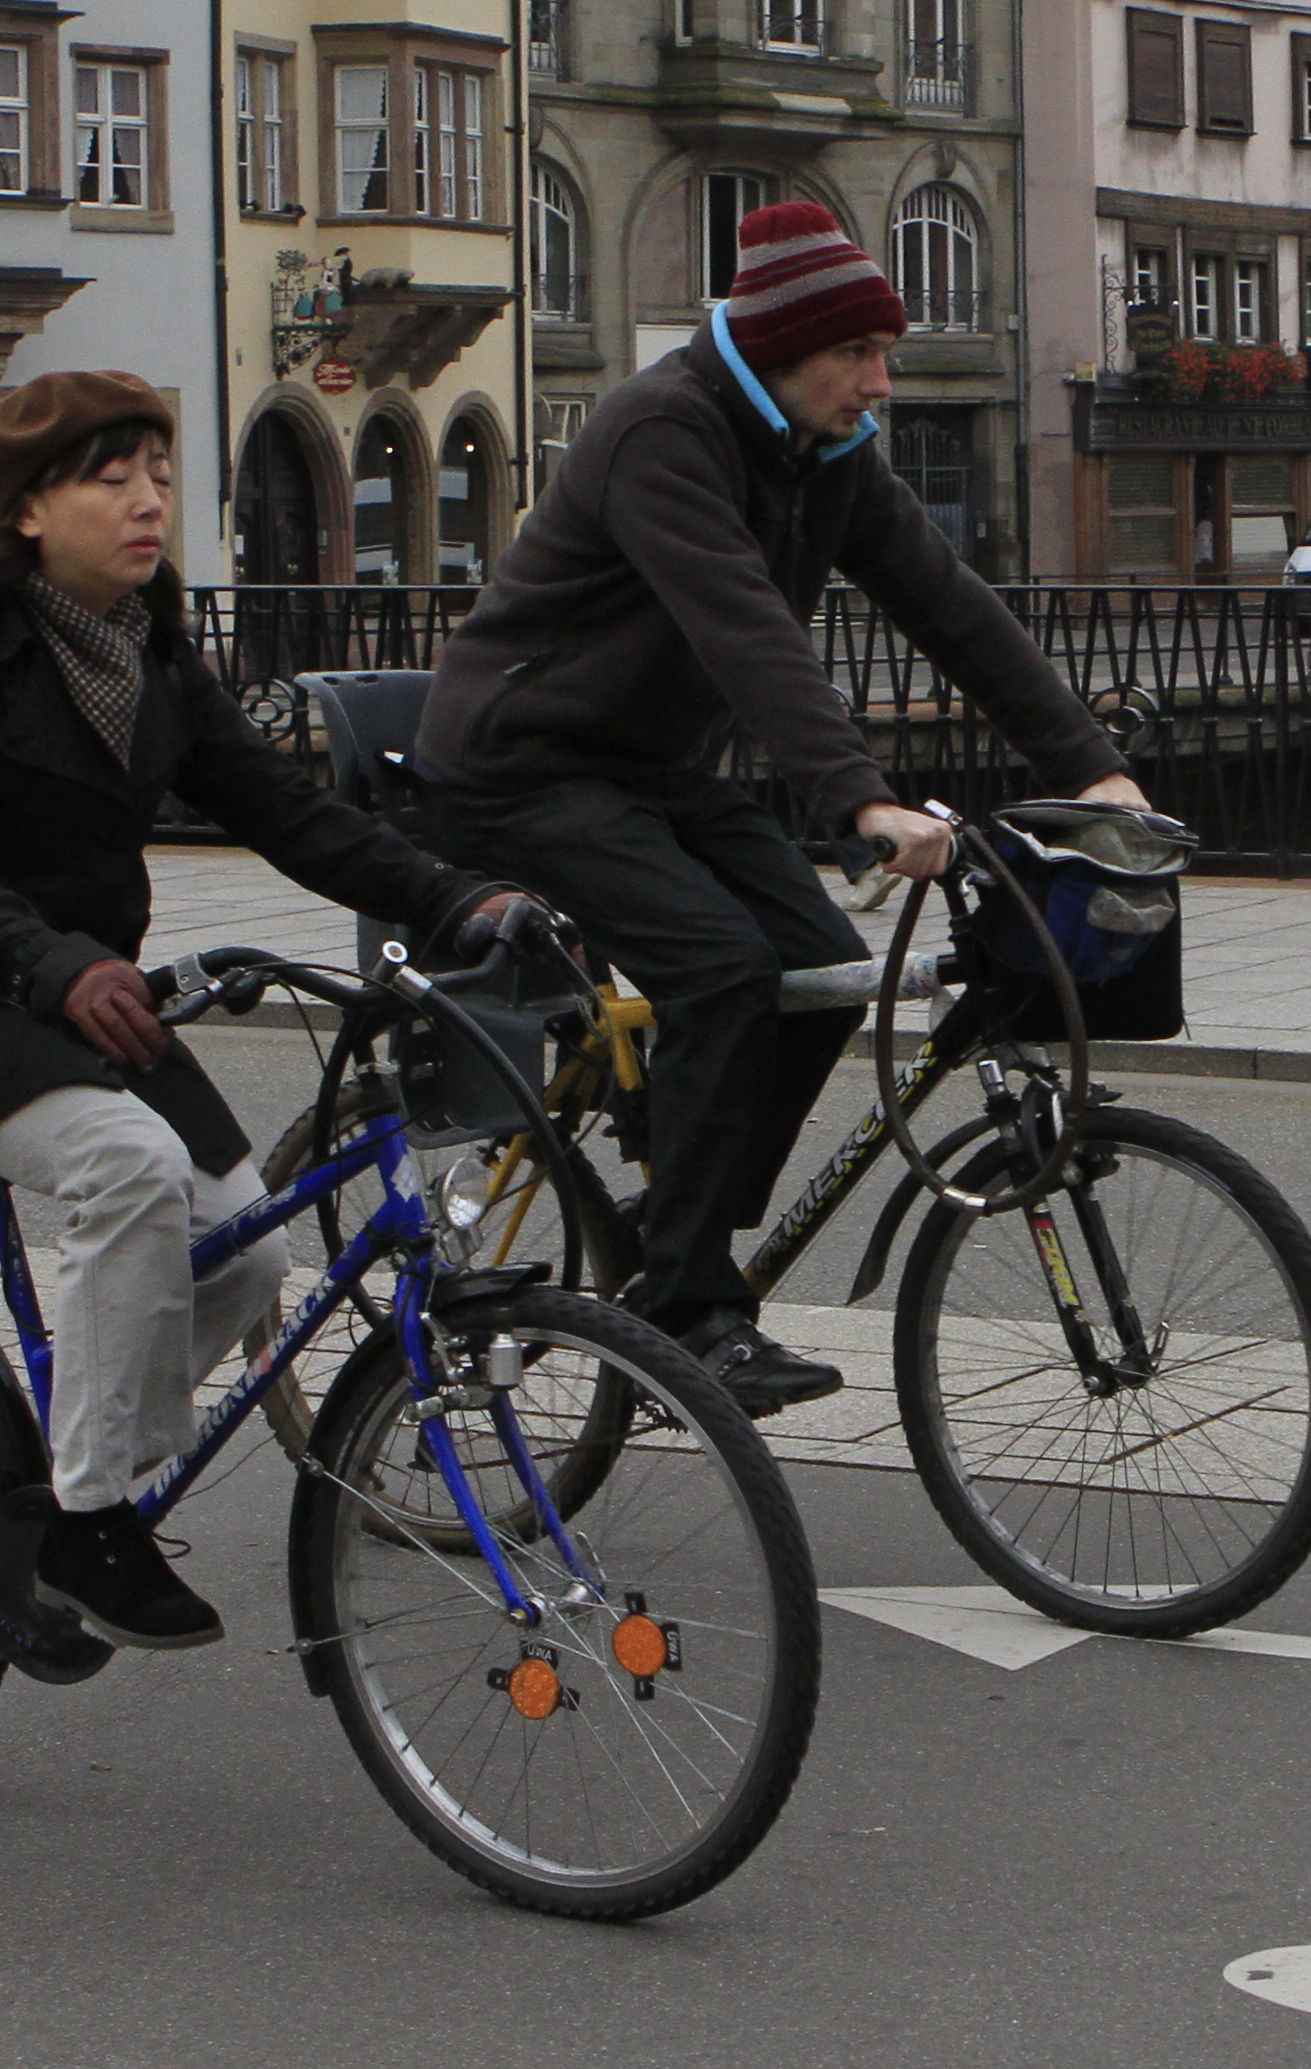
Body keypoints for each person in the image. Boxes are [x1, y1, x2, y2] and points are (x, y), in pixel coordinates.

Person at [0, 370, 540, 1660]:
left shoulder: (146, 647)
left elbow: (286, 811)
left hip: (82, 1000)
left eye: (158, 474)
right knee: (130, 1173)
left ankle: (44, 1510)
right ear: (28, 511)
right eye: (111, 479)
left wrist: (459, 900)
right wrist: (55, 967)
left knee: (246, 1254)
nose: (149, 502)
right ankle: (93, 1519)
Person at [418, 206, 1146, 1412]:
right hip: (519, 765)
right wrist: (858, 799)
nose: (879, 382)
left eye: (884, 353)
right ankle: (686, 1309)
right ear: (781, 349)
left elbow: (947, 604)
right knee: (716, 969)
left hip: (648, 769)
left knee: (819, 974)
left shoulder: (825, 453)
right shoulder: (664, 427)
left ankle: (672, 1213)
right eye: (857, 354)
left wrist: (1089, 763)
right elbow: (744, 631)